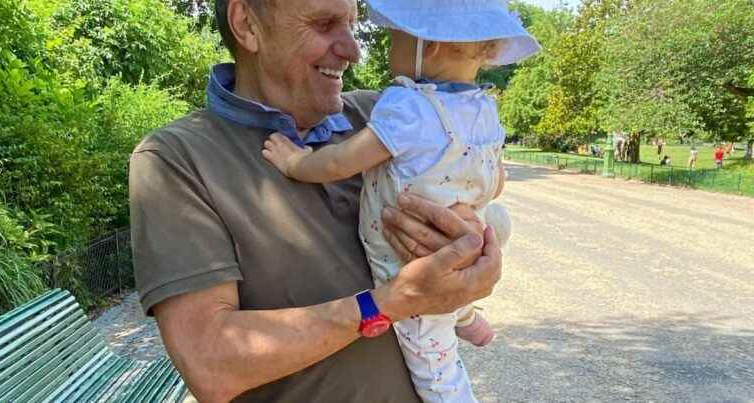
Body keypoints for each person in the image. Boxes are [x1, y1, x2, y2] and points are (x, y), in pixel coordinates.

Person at [128, 0, 503, 402]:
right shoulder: (177, 159)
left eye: (351, 24)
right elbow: (212, 365)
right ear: (246, 24)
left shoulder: (382, 118)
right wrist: (385, 305)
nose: (353, 50)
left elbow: (475, 194)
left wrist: (473, 255)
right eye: (324, 24)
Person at [262, 2, 537, 401]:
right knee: (496, 219)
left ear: (432, 45)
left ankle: (457, 330)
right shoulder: (484, 109)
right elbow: (495, 184)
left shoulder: (407, 106)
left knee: (436, 368)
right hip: (467, 241)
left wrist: (296, 162)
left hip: (409, 266)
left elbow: (341, 161)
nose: (384, 49)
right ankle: (465, 315)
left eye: (397, 37)